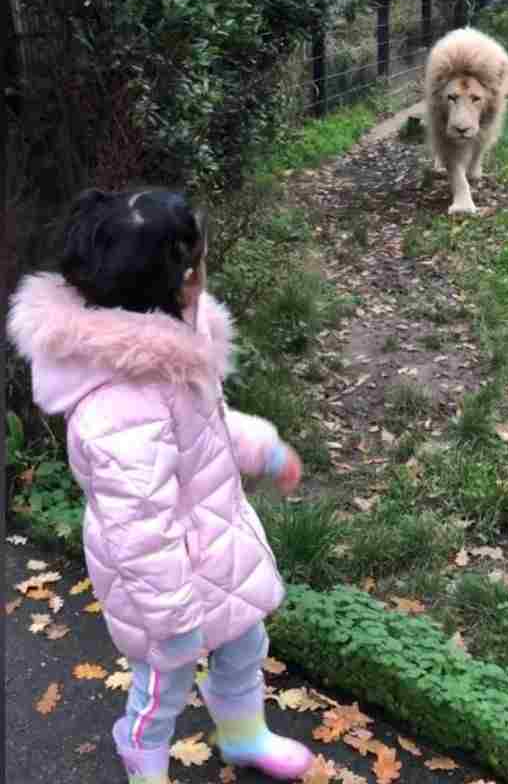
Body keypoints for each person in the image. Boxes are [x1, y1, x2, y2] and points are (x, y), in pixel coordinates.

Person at [8, 188, 315, 783]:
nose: (205, 273)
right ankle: (141, 754)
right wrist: (172, 623)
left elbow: (208, 430)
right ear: (179, 279)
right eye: (199, 261)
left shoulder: (171, 348)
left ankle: (245, 735)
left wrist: (264, 449)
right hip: (163, 586)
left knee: (243, 649)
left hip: (216, 544)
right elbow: (136, 530)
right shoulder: (119, 404)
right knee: (162, 684)